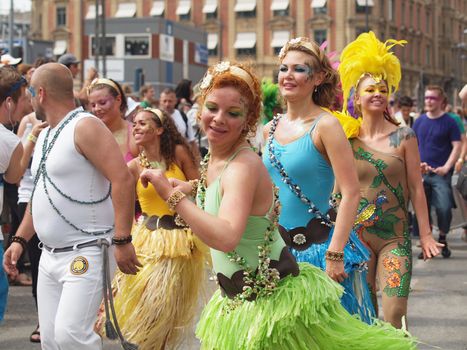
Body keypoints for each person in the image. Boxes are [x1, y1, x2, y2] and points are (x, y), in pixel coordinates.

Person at [141, 61, 416, 350]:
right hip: (239, 303)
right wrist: (194, 189)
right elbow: (226, 196)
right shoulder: (216, 157)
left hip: (273, 310)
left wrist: (174, 198)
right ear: (199, 109)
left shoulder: (243, 165)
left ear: (248, 121)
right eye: (212, 108)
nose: (219, 119)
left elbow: (225, 236)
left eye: (233, 113)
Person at [3, 62, 141, 350]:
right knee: (51, 340)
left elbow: (123, 179)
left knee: (71, 336)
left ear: (40, 93)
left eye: (29, 92)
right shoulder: (45, 134)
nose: (27, 99)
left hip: (87, 250)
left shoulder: (86, 126)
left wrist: (122, 238)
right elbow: (42, 194)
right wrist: (19, 239)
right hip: (50, 256)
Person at [262, 37, 375, 323]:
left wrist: (335, 253)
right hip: (274, 254)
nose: (288, 76)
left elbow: (350, 193)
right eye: (284, 68)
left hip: (318, 251)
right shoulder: (267, 130)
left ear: (319, 78)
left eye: (299, 69)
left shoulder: (326, 125)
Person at [338, 32, 443, 329]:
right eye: (370, 89)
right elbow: (337, 192)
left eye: (383, 89)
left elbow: (416, 189)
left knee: (395, 311)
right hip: (357, 240)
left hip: (394, 239)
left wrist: (425, 235)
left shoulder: (404, 136)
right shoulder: (346, 138)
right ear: (356, 98)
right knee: (365, 316)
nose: (377, 93)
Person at [102, 107, 205, 350]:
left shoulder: (178, 154)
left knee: (167, 312)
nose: (135, 127)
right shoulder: (134, 166)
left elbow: (202, 185)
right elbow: (119, 199)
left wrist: (184, 187)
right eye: (134, 123)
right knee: (148, 309)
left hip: (178, 242)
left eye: (142, 123)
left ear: (159, 129)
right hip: (147, 240)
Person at [412, 85, 462, 258]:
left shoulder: (449, 121)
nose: (429, 101)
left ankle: (443, 237)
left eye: (432, 98)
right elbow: (412, 147)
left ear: (441, 100)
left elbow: (457, 145)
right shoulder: (419, 121)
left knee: (444, 207)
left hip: (441, 173)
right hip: (422, 173)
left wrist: (447, 167)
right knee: (422, 209)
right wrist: (416, 165)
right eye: (426, 98)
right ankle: (428, 244)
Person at [0, 66, 29, 323]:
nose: (27, 103)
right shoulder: (9, 141)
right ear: (9, 102)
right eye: (24, 98)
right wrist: (29, 142)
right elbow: (13, 177)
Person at [88, 78, 139, 162]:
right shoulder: (89, 136)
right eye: (93, 105)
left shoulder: (135, 134)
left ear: (118, 100)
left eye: (102, 103)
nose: (97, 109)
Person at [159, 88, 199, 160]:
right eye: (164, 101)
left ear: (175, 101)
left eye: (170, 101)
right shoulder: (155, 117)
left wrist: (197, 159)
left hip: (181, 160)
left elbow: (192, 141)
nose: (167, 104)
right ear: (160, 102)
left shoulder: (183, 116)